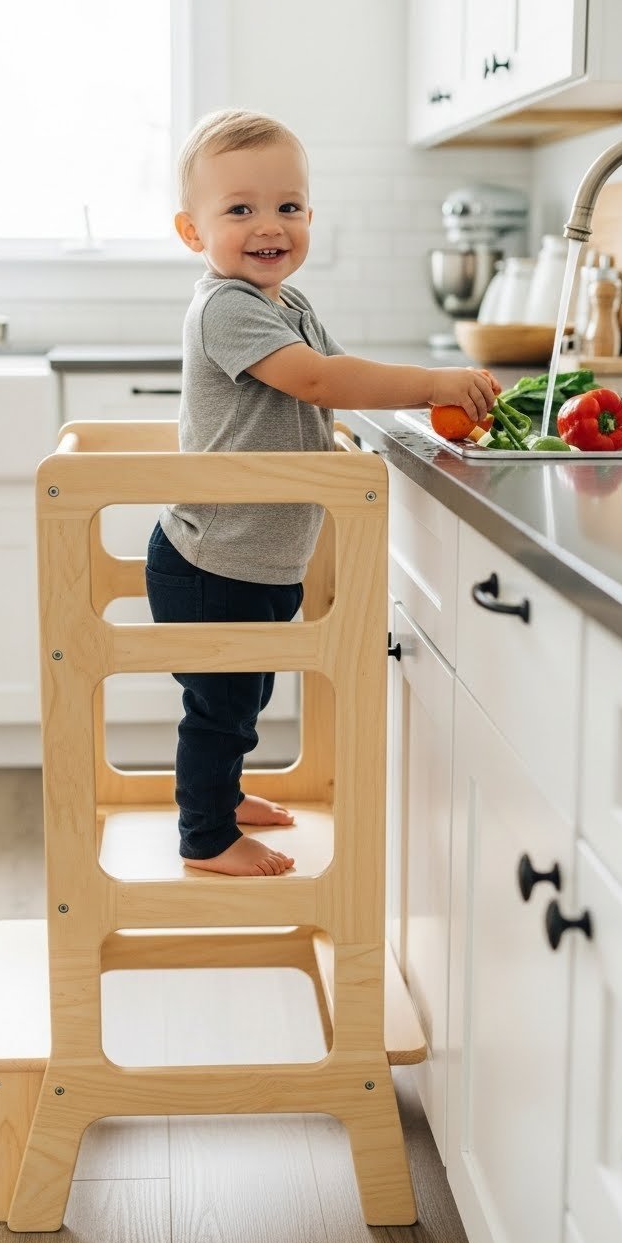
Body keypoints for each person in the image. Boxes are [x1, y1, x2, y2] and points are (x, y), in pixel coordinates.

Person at [145, 108, 500, 878]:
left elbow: (339, 375)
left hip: (258, 556)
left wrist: (412, 405)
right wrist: (431, 383)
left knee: (244, 696)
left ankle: (223, 796)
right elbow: (316, 380)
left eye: (288, 205)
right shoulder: (226, 307)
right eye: (240, 209)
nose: (269, 225)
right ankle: (205, 836)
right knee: (220, 704)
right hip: (213, 560)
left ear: (310, 214)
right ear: (191, 231)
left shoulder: (289, 303)